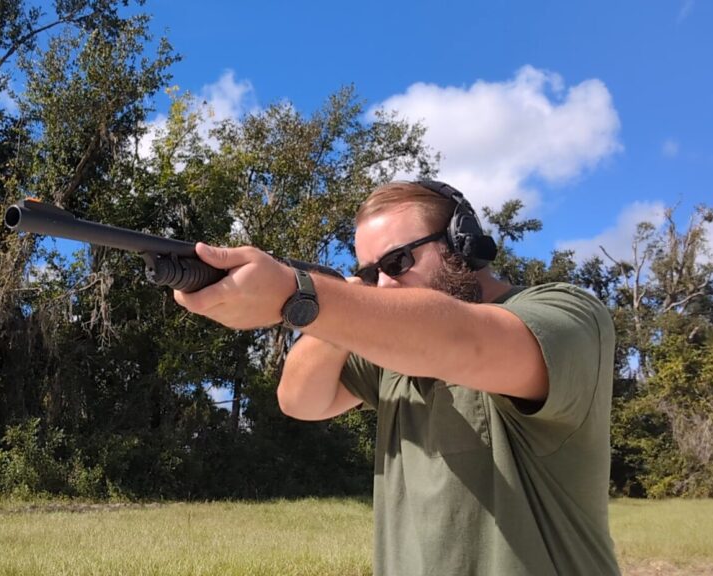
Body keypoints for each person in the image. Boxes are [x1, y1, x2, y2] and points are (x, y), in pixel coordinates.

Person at [174, 180, 621, 575]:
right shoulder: (393, 356)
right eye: (370, 273)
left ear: (461, 242)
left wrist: (299, 294)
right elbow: (299, 400)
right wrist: (343, 303)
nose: (383, 285)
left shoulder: (568, 315)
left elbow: (464, 340)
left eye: (397, 262)